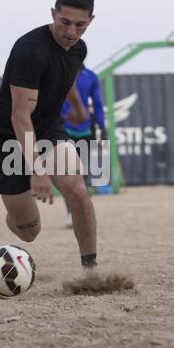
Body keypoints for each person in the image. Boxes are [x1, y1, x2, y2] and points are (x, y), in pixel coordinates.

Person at [0, 0, 98, 270]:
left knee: (76, 188)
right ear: (53, 14)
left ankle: (90, 269)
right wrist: (37, 169)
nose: (71, 32)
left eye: (80, 25)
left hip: (48, 129)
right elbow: (20, 117)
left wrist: (79, 107)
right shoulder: (30, 50)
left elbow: (66, 74)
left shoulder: (78, 49)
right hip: (8, 137)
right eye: (65, 22)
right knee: (29, 231)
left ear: (90, 21)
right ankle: (14, 214)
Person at [61, 64, 107, 227]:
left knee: (83, 174)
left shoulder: (91, 76)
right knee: (68, 174)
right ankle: (70, 213)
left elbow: (98, 103)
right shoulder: (61, 71)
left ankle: (82, 212)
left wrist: (102, 126)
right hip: (62, 128)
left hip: (85, 129)